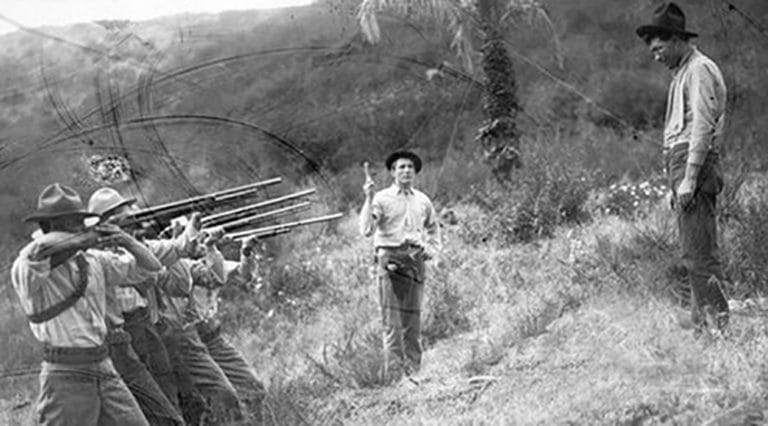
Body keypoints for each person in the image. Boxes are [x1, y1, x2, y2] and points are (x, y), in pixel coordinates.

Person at [10, 183, 163, 426]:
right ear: (50, 226)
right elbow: (42, 249)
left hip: (102, 362)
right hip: (65, 370)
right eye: (71, 222)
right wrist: (86, 239)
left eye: (79, 222)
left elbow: (150, 268)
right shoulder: (29, 263)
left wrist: (127, 241)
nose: (78, 226)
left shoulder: (92, 260)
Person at [637, 2, 730, 332]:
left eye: (659, 48)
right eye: (652, 50)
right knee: (693, 253)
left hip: (695, 165)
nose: (656, 56)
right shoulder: (682, 73)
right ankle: (703, 324)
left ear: (676, 40)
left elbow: (703, 127)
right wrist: (675, 183)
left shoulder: (700, 69)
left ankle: (717, 329)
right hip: (683, 166)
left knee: (700, 254)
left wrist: (689, 178)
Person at [88, 186, 202, 425]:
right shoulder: (92, 257)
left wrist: (191, 229)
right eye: (121, 218)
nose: (131, 221)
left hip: (144, 326)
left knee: (167, 393)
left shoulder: (135, 247)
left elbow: (176, 254)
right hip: (116, 337)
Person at [359, 150, 441, 375]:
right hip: (390, 262)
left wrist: (431, 251)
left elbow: (433, 228)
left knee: (412, 323)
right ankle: (396, 377)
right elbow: (366, 230)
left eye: (410, 167)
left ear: (415, 172)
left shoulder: (422, 200)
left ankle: (414, 375)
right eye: (401, 167)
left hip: (415, 261)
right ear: (393, 172)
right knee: (392, 324)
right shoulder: (381, 198)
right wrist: (368, 198)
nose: (406, 171)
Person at [192, 234, 268, 422]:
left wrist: (246, 251)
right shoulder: (175, 266)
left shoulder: (212, 261)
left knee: (253, 388)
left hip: (213, 340)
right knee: (206, 406)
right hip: (189, 345)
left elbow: (244, 275)